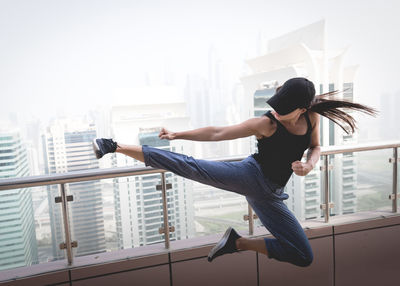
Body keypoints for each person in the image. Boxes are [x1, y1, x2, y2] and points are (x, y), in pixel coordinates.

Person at [92, 77, 377, 267]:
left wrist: (309, 165)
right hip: (251, 178)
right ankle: (113, 145)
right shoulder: (266, 124)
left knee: (303, 256)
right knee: (189, 166)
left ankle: (236, 242)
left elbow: (315, 147)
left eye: (284, 110)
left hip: (271, 197)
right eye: (275, 107)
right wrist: (178, 134)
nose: (276, 112)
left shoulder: (312, 117)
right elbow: (218, 133)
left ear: (302, 109)